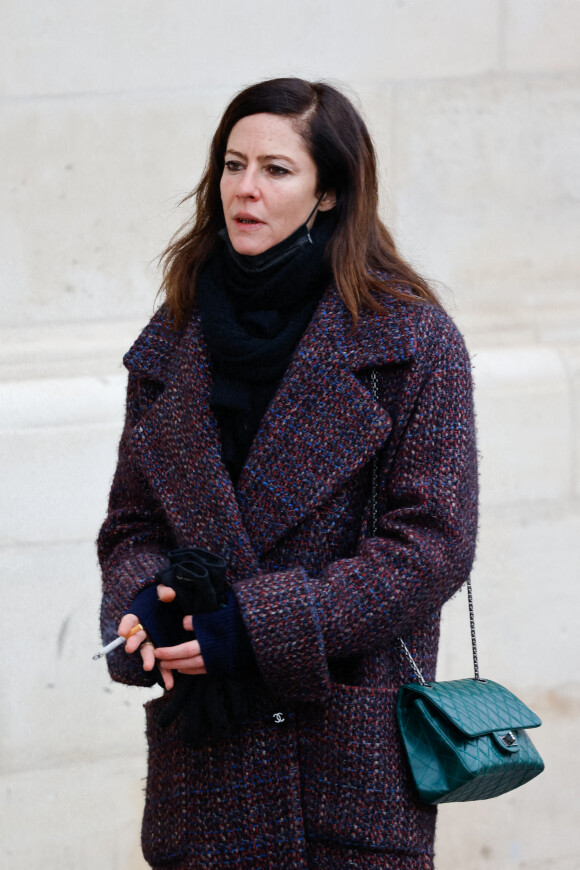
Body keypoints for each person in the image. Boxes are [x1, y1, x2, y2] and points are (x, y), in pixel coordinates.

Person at [97, 77, 478, 870]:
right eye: (233, 165)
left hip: (343, 759)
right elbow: (133, 525)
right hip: (203, 757)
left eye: (275, 169)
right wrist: (144, 606)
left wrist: (255, 628)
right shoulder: (174, 338)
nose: (245, 188)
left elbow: (432, 545)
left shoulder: (409, 343)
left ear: (329, 191)